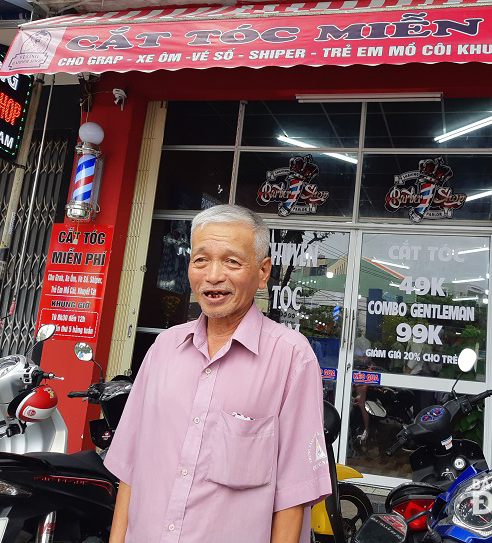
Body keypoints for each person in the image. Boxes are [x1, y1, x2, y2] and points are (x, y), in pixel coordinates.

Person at [105, 205, 331, 543]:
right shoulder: (164, 348)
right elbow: (130, 471)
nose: (213, 275)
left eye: (232, 261)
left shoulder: (291, 357)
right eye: (200, 260)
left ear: (263, 271)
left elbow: (294, 494)